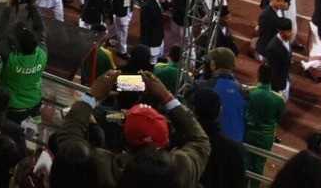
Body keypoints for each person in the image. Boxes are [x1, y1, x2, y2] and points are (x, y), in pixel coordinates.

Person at [55, 69, 210, 188]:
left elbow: (70, 138)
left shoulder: (102, 166)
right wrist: (166, 96)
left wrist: (91, 97)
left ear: (125, 137)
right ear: (165, 139)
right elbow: (199, 140)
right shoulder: (181, 170)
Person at [0, 0, 47, 122]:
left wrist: (8, 6)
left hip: (10, 107)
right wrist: (32, 6)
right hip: (33, 103)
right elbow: (41, 29)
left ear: (17, 46)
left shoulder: (11, 59)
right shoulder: (42, 53)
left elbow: (1, 31)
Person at [244, 64, 286, 180]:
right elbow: (279, 118)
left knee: (245, 165)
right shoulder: (279, 99)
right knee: (259, 167)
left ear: (258, 75)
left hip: (249, 133)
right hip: (266, 137)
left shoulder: (250, 92)